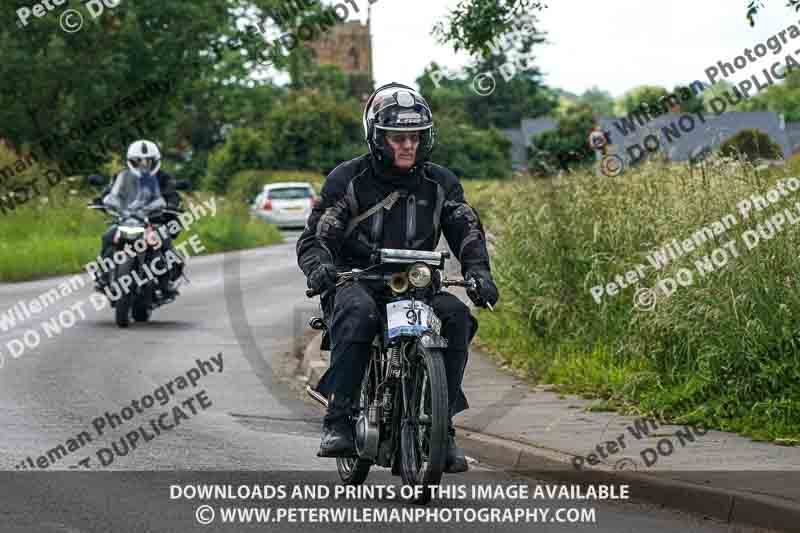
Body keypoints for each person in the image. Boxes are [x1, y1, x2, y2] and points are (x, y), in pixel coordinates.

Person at [296, 83, 499, 473]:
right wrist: (321, 267)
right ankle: (338, 420)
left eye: (415, 137)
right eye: (397, 138)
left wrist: (478, 273)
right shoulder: (348, 179)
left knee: (457, 318)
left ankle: (443, 428)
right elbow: (318, 235)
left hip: (418, 285)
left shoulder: (441, 183)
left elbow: (465, 229)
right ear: (377, 137)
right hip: (356, 279)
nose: (407, 145)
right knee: (358, 313)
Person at [94, 140, 183, 298]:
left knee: (163, 240)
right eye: (138, 161)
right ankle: (103, 275)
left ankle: (165, 282)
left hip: (154, 220)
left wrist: (172, 205)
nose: (143, 165)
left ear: (155, 161)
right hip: (127, 219)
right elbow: (110, 192)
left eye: (147, 161)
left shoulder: (163, 178)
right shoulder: (122, 176)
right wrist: (101, 200)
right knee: (108, 236)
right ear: (131, 161)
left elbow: (172, 194)